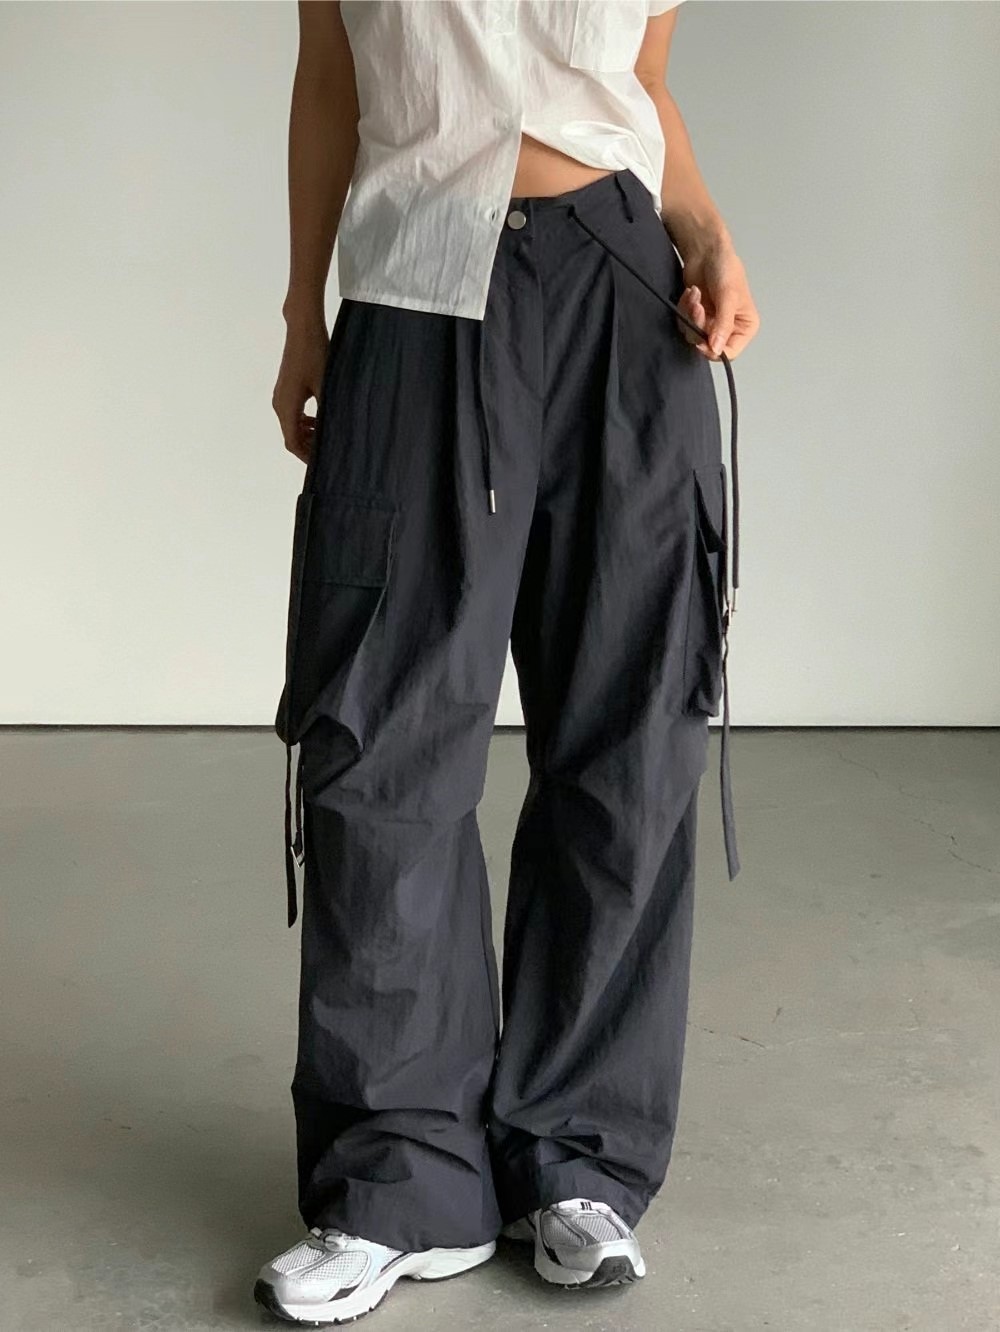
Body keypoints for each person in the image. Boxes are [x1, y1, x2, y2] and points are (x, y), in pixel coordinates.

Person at [258, 0, 760, 1323]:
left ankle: (577, 1158)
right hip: (417, 277)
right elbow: (330, 77)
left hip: (622, 285)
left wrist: (708, 236)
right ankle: (395, 1177)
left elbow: (646, 88)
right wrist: (305, 313)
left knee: (630, 731)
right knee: (382, 734)